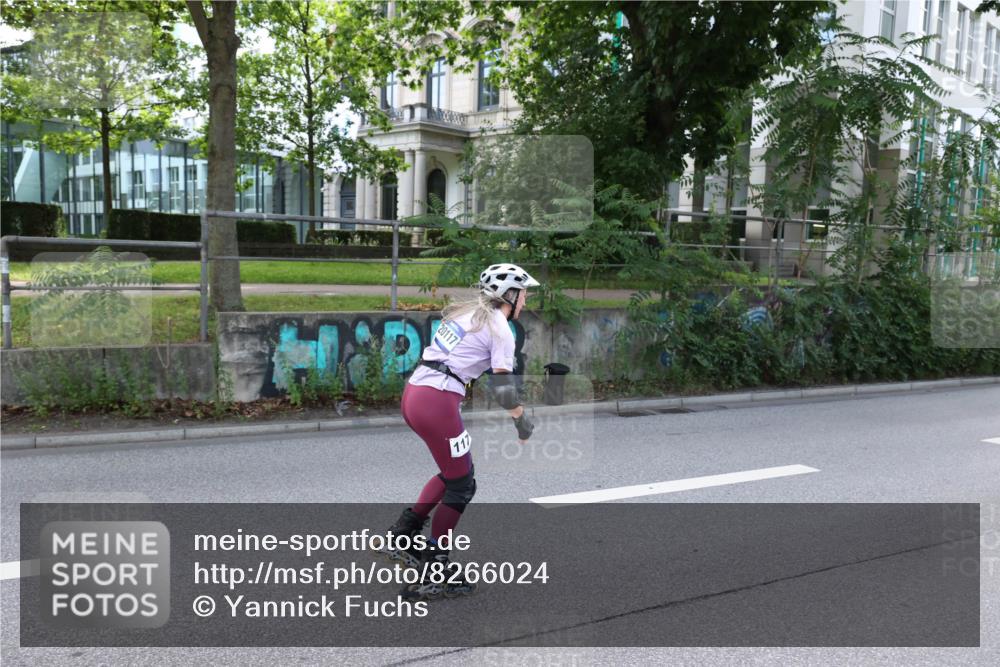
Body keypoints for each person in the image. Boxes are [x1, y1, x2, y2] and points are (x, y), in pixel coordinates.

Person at [378, 263, 540, 601]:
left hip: (416, 395)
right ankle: (435, 567)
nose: (526, 300)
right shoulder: (499, 327)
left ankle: (402, 535)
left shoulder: (466, 314)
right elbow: (502, 387)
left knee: (453, 472)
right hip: (437, 402)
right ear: (509, 295)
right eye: (524, 293)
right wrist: (522, 419)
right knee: (463, 483)